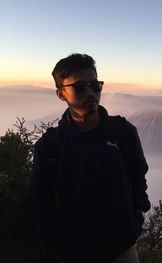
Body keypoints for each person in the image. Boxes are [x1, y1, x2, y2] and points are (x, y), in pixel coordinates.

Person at [29, 53, 150, 263]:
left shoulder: (124, 133)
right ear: (61, 94)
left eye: (95, 85)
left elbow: (138, 174)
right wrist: (57, 241)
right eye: (79, 87)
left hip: (123, 246)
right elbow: (40, 197)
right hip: (76, 251)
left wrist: (136, 220)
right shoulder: (50, 147)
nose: (90, 92)